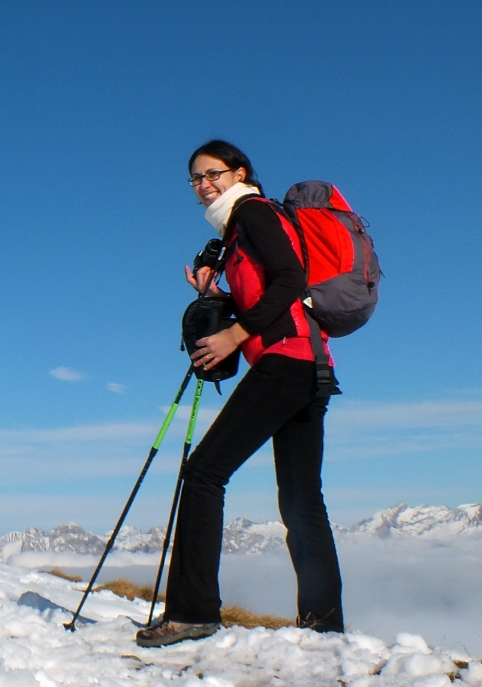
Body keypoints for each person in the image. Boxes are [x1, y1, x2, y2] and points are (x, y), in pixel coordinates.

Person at [137, 140, 344, 648]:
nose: (204, 185)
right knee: (300, 499)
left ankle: (192, 613)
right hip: (311, 364)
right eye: (196, 179)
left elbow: (290, 279)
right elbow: (269, 289)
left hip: (285, 362)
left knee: (204, 473)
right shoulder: (241, 227)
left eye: (213, 174)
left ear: (240, 172)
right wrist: (215, 296)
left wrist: (233, 334)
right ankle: (323, 628)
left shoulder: (251, 212)